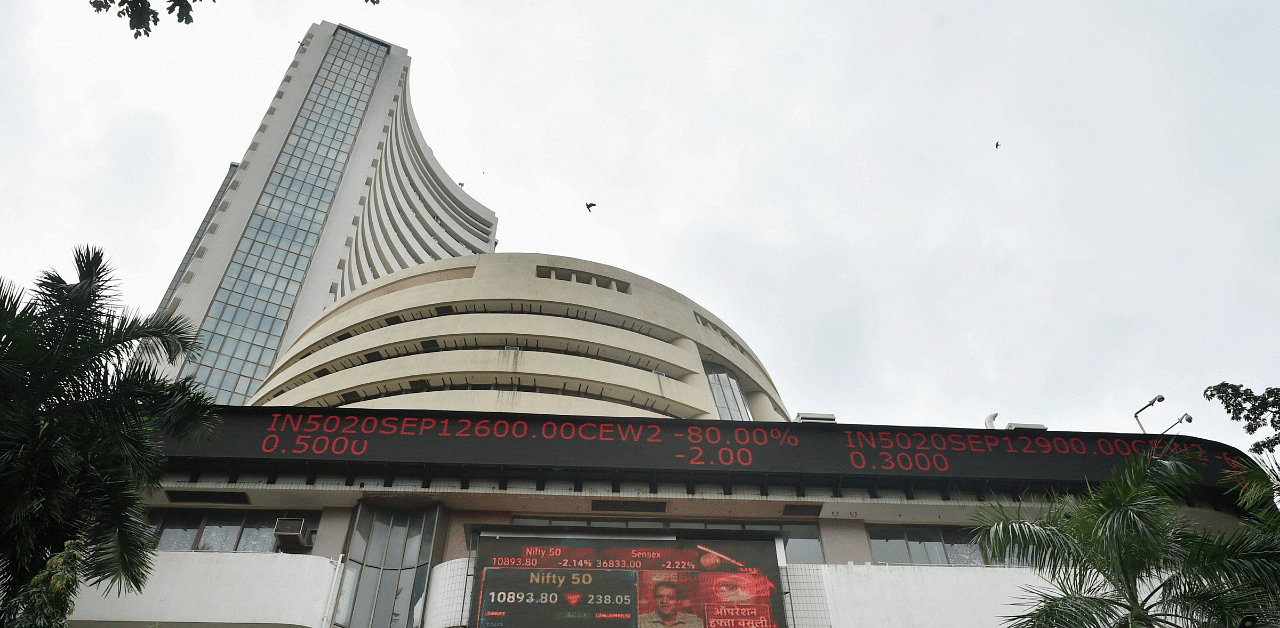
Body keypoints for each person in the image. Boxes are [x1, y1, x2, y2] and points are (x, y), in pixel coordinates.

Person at [637, 581, 704, 628]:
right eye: (660, 597)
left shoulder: (694, 622)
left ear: (678, 601)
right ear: (654, 599)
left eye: (670, 598)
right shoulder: (641, 621)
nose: (664, 601)